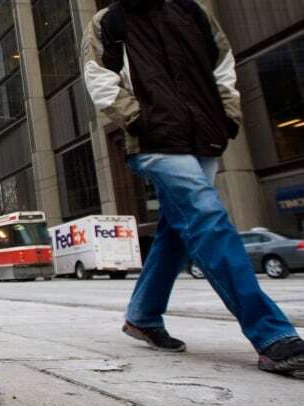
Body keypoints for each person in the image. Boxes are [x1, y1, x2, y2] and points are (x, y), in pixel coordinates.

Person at [82, 0, 304, 377]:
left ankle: (143, 315)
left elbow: (223, 65)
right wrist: (139, 120)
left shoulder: (194, 13)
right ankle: (272, 334)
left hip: (204, 137)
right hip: (155, 142)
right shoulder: (110, 21)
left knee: (176, 231)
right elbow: (99, 78)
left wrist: (228, 117)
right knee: (207, 217)